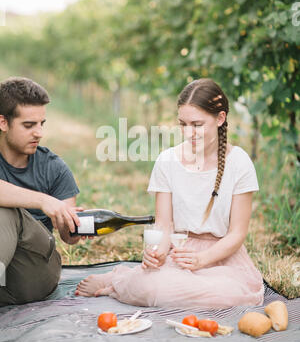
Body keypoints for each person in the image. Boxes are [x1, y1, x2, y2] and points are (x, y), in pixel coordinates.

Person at [75, 78, 264, 308]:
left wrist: (202, 260)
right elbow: (164, 225)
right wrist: (158, 252)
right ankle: (120, 279)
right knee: (153, 287)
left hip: (222, 258)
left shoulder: (239, 162)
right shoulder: (168, 161)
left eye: (197, 124)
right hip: (180, 250)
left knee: (230, 296)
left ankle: (128, 283)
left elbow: (237, 234)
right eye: (183, 124)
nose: (188, 132)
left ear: (220, 118)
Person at [0, 77, 83, 307]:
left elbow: (68, 238)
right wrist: (43, 201)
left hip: (33, 273)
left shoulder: (54, 168)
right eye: (29, 125)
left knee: (6, 212)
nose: (39, 133)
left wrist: (72, 226)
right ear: (3, 122)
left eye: (41, 124)